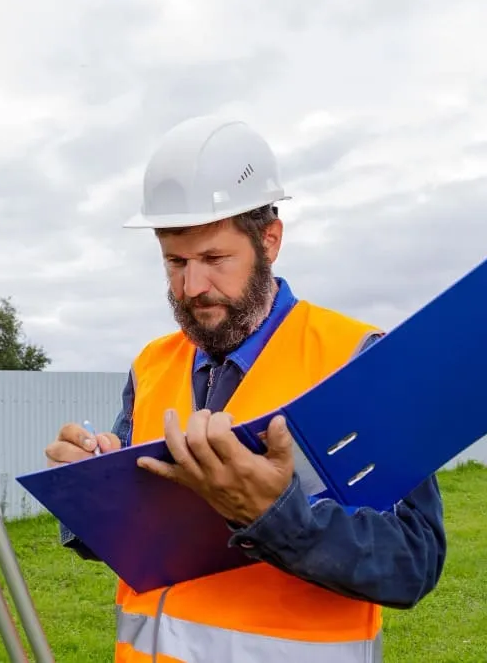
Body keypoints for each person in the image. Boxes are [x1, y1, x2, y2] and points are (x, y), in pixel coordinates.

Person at [44, 115, 447, 662]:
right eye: (175, 262)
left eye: (214, 259)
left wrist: (276, 516)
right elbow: (131, 538)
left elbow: (412, 561)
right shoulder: (151, 365)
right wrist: (87, 493)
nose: (191, 287)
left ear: (270, 241)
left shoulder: (354, 359)